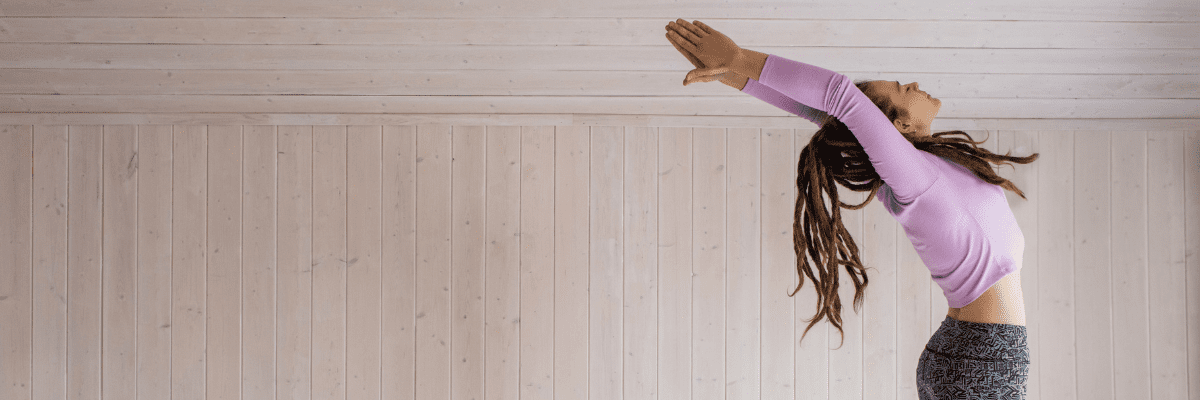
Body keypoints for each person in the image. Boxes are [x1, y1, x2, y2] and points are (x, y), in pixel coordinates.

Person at [665, 18, 1040, 400]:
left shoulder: (919, 176)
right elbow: (838, 97)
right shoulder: (916, 178)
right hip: (983, 358)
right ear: (900, 124)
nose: (910, 84)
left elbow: (824, 114)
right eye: (899, 90)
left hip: (972, 353)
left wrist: (733, 73)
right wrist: (738, 58)